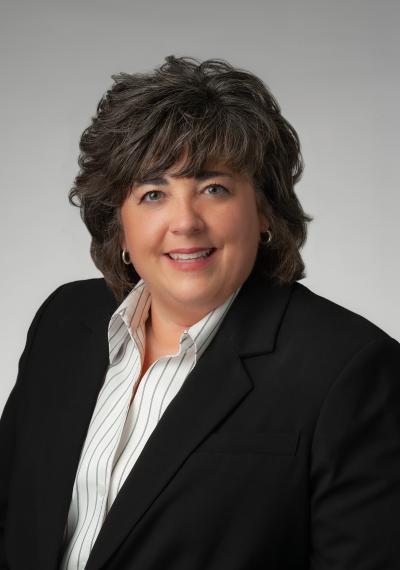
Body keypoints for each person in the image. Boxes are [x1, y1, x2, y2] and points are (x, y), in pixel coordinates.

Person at [0, 55, 399, 570]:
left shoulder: (350, 369)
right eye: (153, 194)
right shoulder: (64, 320)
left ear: (264, 211)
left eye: (214, 189)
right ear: (119, 225)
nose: (185, 222)